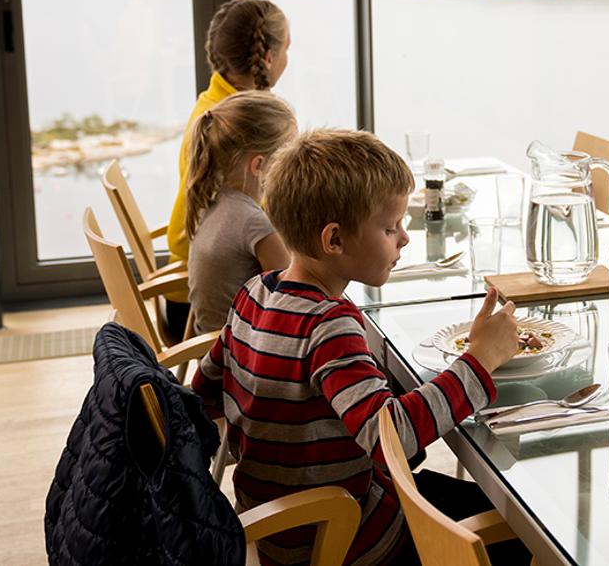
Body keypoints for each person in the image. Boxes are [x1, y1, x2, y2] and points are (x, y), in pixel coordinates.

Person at [191, 128, 522, 566]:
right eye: (390, 227)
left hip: (278, 528)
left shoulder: (254, 293)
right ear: (334, 241)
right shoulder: (329, 325)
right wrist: (481, 359)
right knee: (520, 531)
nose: (403, 238)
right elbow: (393, 438)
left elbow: (203, 394)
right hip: (347, 539)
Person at [162, 0, 291, 335]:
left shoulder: (215, 107)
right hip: (208, 315)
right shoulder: (234, 125)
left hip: (204, 295)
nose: (288, 60)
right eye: (287, 49)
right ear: (268, 57)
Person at [182, 90, 296, 335]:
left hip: (212, 347)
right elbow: (296, 296)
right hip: (241, 356)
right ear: (259, 165)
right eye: (289, 157)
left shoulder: (213, 202)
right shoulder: (253, 223)